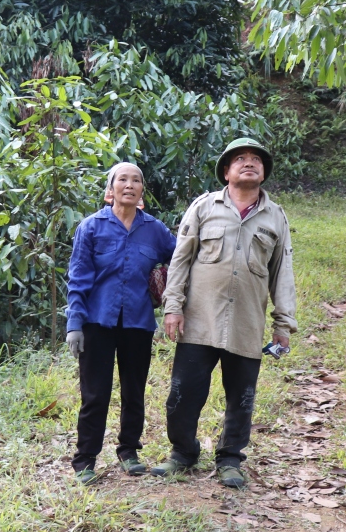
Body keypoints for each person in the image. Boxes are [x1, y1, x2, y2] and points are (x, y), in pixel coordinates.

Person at [151, 138, 297, 488]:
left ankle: (230, 460)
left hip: (247, 322)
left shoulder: (275, 217)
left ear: (264, 173)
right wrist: (173, 308)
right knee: (183, 394)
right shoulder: (203, 208)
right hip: (199, 320)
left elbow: (283, 272)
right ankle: (182, 454)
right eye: (240, 159)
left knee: (242, 398)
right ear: (227, 172)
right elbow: (180, 260)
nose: (250, 163)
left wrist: (283, 324)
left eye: (256, 160)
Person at [65, 162, 177, 485]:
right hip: (96, 323)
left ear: (142, 192)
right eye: (122, 179)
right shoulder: (90, 228)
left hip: (138, 323)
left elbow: (180, 258)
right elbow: (78, 277)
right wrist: (74, 323)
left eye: (137, 180)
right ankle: (85, 459)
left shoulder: (155, 230)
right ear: (110, 190)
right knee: (95, 394)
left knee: (134, 391)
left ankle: (129, 450)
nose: (130, 184)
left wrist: (170, 288)